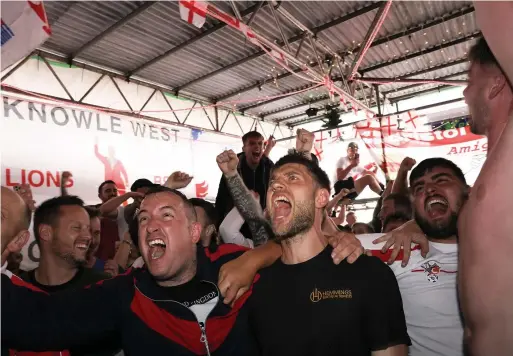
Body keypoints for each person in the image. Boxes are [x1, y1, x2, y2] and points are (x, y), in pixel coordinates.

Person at [1, 186, 263, 355]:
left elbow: (296, 255)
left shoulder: (232, 263)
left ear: (194, 232)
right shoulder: (126, 294)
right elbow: (42, 321)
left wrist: (260, 256)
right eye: (144, 218)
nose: (151, 225)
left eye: (167, 215)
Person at [244, 153, 410, 355]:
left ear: (321, 197)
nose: (276, 186)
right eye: (273, 182)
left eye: (292, 177)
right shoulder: (257, 288)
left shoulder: (369, 275)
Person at [362, 158, 470, 356]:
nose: (429, 189)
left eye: (442, 180)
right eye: (419, 188)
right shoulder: (396, 249)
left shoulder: (499, 248)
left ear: (468, 191)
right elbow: (321, 242)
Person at [456, 15, 513, 355]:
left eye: (469, 78)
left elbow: (500, 15)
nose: (464, 90)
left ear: (494, 85)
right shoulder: (493, 167)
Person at [18, 196, 110, 292]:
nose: (88, 236)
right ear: (46, 233)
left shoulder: (103, 287)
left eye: (87, 229)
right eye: (76, 228)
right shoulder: (15, 291)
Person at [215, 131, 273, 222]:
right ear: (244, 148)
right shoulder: (233, 167)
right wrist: (218, 224)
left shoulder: (270, 167)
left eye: (260, 143)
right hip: (237, 227)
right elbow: (221, 199)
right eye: (252, 143)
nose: (257, 146)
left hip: (262, 225)